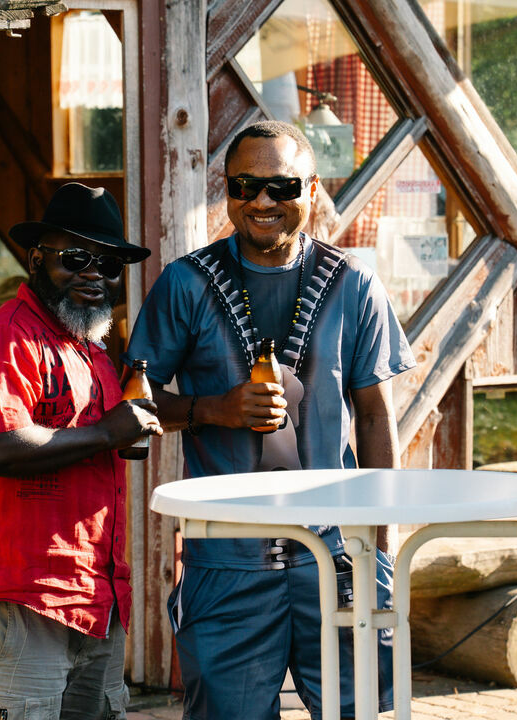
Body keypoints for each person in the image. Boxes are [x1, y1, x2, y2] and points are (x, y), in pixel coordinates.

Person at [125, 121, 416, 719]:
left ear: (313, 190)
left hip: (337, 556)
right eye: (245, 185)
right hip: (226, 560)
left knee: (358, 711)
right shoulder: (186, 283)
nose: (262, 201)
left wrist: (381, 552)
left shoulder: (354, 283)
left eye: (281, 187)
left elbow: (374, 418)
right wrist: (215, 409)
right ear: (227, 190)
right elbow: (133, 407)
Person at [0, 182, 162, 718]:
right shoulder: (6, 338)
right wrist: (107, 433)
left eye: (109, 265)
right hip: (21, 599)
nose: (95, 275)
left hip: (95, 598)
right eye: (76, 258)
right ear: (37, 259)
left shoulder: (90, 351)